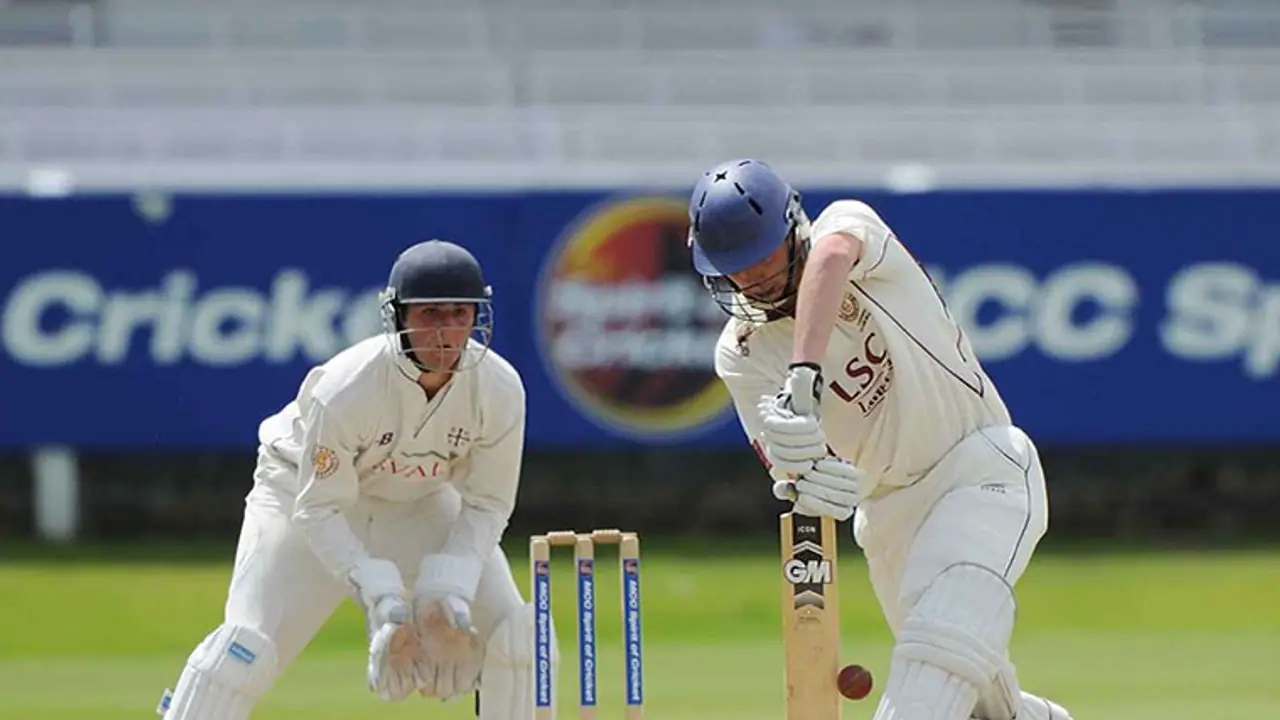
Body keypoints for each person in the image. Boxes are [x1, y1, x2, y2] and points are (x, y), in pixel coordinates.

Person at [688, 159, 1073, 720]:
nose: (749, 280)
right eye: (733, 269)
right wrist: (806, 475)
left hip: (980, 467)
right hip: (889, 527)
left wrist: (804, 372)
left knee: (934, 663)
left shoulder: (846, 226)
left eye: (760, 258)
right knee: (975, 707)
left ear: (792, 228)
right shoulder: (740, 352)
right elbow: (795, 474)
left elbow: (833, 258)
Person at [157, 239, 554, 720]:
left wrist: (445, 587)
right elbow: (319, 507)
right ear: (399, 316)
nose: (446, 331)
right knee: (242, 652)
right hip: (301, 501)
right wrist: (383, 598)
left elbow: (488, 504)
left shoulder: (500, 388)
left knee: (520, 641)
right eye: (430, 314)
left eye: (459, 313)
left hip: (420, 504)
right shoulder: (349, 386)